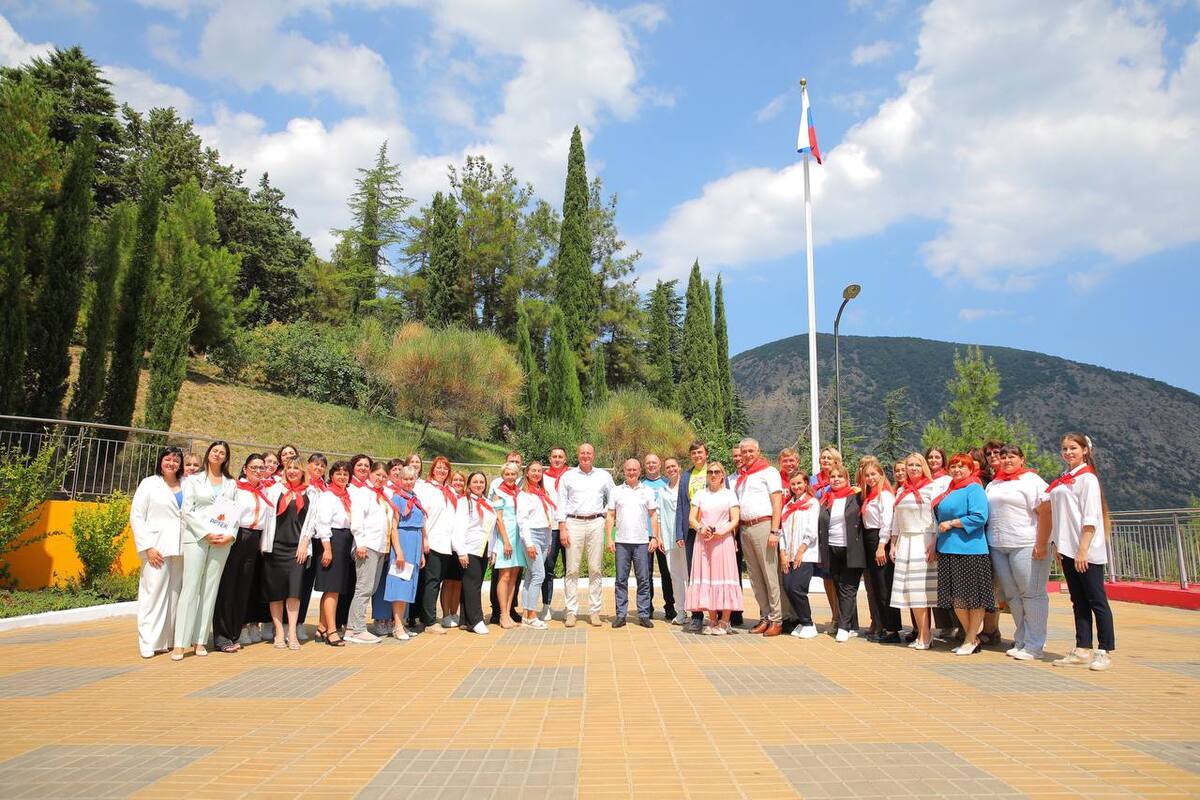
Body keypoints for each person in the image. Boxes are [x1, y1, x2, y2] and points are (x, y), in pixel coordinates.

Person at [1044, 433, 1115, 671]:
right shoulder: (1065, 478)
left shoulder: (1087, 479)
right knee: (1078, 600)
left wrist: (1083, 548)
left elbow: (1090, 516)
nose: (1068, 452)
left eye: (1073, 448)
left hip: (1085, 549)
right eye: (1064, 448)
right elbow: (1058, 514)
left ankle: (1104, 650)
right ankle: (1082, 647)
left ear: (1085, 450)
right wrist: (1056, 544)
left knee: (1096, 599)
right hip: (1066, 548)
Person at [986, 444, 1051, 661]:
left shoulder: (1032, 481)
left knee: (1032, 593)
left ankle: (1035, 644)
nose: (1006, 460)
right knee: (1012, 595)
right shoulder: (994, 483)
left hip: (1025, 543)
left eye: (1011, 456)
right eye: (1002, 457)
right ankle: (1022, 638)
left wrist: (1042, 543)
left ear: (1022, 459)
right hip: (998, 545)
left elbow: (1046, 511)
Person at [173, 441, 236, 659]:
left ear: (226, 458)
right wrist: (205, 533)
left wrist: (231, 534)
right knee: (190, 588)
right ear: (209, 453)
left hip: (222, 540)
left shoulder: (230, 483)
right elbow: (187, 510)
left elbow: (234, 512)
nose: (218, 455)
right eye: (215, 451)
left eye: (222, 453)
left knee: (210, 589)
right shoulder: (193, 480)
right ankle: (180, 643)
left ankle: (200, 640)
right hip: (197, 538)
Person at [212, 453, 277, 653]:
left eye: (261, 468)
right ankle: (222, 636)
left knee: (243, 588)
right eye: (254, 467)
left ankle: (234, 633)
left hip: (254, 540)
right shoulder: (235, 488)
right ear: (245, 469)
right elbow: (222, 514)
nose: (258, 471)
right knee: (228, 587)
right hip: (236, 537)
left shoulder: (264, 490)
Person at [932, 453, 993, 656]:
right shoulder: (950, 490)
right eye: (954, 466)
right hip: (948, 548)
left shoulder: (974, 488)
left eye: (962, 467)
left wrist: (952, 523)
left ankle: (970, 638)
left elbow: (979, 516)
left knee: (973, 598)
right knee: (957, 598)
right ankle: (971, 637)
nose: (957, 470)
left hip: (971, 550)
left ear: (970, 469)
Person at [132, 446, 185, 659]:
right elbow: (137, 516)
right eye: (168, 459)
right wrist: (147, 547)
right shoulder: (149, 484)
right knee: (152, 594)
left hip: (181, 548)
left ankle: (167, 639)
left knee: (174, 594)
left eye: (176, 460)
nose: (172, 463)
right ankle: (148, 641)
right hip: (157, 547)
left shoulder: (186, 485)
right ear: (161, 461)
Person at [556, 443, 614, 627]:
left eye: (589, 453)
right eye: (582, 453)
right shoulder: (568, 476)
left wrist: (605, 513)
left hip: (596, 522)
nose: (586, 456)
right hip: (573, 523)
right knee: (572, 570)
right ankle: (571, 611)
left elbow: (614, 497)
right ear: (578, 455)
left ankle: (594, 611)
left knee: (595, 568)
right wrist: (563, 526)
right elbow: (561, 503)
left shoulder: (604, 476)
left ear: (593, 455)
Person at [888, 453, 940, 649]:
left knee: (921, 593)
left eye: (917, 465)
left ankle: (925, 635)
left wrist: (934, 541)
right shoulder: (902, 489)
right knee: (911, 592)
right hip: (905, 542)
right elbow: (896, 519)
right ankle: (922, 632)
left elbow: (936, 517)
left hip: (922, 540)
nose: (913, 468)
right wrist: (893, 543)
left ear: (923, 467)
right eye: (910, 465)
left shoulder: (931, 488)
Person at [734, 438, 784, 636]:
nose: (747, 455)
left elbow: (777, 503)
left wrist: (774, 531)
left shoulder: (769, 472)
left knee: (769, 574)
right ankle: (764, 616)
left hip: (763, 526)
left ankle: (776, 618)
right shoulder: (743, 476)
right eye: (744, 451)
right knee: (755, 576)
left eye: (750, 451)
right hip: (745, 529)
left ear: (758, 451)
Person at [686, 462, 742, 635]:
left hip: (723, 541)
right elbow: (692, 518)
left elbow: (735, 519)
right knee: (707, 578)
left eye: (717, 472)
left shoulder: (729, 495)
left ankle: (725, 621)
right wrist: (701, 528)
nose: (713, 474)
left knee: (724, 577)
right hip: (703, 541)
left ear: (722, 475)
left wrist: (721, 532)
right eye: (710, 471)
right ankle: (713, 620)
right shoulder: (700, 495)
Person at [606, 458, 661, 629]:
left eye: (635, 470)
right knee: (621, 580)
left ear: (639, 471)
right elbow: (610, 516)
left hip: (642, 542)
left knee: (643, 580)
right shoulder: (616, 491)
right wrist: (609, 538)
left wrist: (654, 537)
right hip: (622, 542)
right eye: (628, 469)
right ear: (624, 471)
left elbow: (653, 516)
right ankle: (621, 615)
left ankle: (643, 614)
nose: (631, 472)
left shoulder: (647, 491)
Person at [261, 458, 309, 649]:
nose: (292, 471)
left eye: (296, 468)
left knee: (294, 592)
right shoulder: (275, 490)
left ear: (303, 471)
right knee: (276, 592)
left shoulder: (310, 492)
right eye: (289, 468)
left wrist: (304, 543)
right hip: (276, 546)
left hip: (297, 548)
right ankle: (279, 632)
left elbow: (312, 521)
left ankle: (292, 632)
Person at [344, 462, 394, 644]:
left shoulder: (384, 496)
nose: (380, 479)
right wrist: (361, 543)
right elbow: (357, 520)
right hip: (367, 547)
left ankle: (352, 626)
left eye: (384, 476)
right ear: (371, 474)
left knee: (370, 588)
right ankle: (357, 629)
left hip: (381, 547)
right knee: (363, 588)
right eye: (377, 475)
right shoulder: (363, 493)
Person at [817, 465, 864, 643]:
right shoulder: (826, 499)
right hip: (831, 548)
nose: (836, 479)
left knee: (848, 588)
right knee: (838, 586)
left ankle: (844, 627)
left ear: (847, 479)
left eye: (840, 477)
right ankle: (850, 625)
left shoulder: (856, 497)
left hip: (851, 549)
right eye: (833, 477)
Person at [858, 456, 901, 643]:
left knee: (884, 586)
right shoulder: (870, 495)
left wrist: (881, 545)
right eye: (866, 475)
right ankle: (883, 626)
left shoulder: (884, 495)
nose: (870, 478)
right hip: (869, 539)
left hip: (878, 540)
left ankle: (892, 629)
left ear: (881, 474)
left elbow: (887, 523)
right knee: (876, 586)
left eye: (873, 474)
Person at [415, 455, 459, 634]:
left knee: (437, 581)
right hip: (432, 541)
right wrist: (424, 538)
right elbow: (422, 517)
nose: (442, 471)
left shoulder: (450, 491)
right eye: (438, 468)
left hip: (447, 543)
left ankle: (429, 616)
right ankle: (429, 620)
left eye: (445, 468)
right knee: (431, 582)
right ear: (432, 469)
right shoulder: (425, 489)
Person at [313, 461, 355, 647]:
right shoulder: (328, 496)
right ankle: (331, 630)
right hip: (332, 540)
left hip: (345, 540)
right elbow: (322, 523)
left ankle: (322, 626)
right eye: (338, 474)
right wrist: (327, 548)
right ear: (331, 476)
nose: (342, 477)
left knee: (335, 587)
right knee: (332, 588)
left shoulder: (347, 495)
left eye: (345, 474)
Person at [383, 466, 426, 640]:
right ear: (400, 480)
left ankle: (402, 621)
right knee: (400, 583)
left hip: (415, 543)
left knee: (409, 585)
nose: (409, 482)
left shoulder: (416, 499)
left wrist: (421, 552)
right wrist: (399, 551)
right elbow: (394, 527)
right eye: (405, 479)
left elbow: (421, 526)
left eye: (412, 478)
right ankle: (397, 625)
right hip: (403, 541)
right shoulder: (397, 499)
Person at [451, 471, 495, 635]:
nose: (478, 485)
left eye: (482, 482)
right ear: (469, 484)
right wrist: (461, 551)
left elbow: (491, 529)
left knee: (471, 584)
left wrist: (492, 550)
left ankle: (465, 620)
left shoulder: (488, 503)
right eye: (475, 482)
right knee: (473, 585)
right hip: (469, 549)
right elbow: (459, 527)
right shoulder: (464, 502)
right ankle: (476, 619)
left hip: (483, 548)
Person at [779, 472, 820, 639]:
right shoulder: (787, 505)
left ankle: (808, 622)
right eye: (793, 484)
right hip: (788, 555)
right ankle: (802, 623)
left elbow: (812, 530)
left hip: (805, 554)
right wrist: (782, 553)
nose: (796, 487)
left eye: (799, 483)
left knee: (798, 588)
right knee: (788, 587)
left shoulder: (812, 503)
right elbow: (781, 531)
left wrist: (800, 552)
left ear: (805, 484)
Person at [517, 461, 556, 629]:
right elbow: (522, 521)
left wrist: (548, 541)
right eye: (533, 470)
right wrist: (529, 543)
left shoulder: (542, 492)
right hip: (531, 535)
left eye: (539, 471)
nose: (536, 474)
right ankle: (532, 614)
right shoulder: (524, 494)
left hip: (544, 534)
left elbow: (549, 516)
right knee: (539, 575)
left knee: (531, 576)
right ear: (527, 473)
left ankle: (526, 614)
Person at [677, 441, 710, 633]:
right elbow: (681, 505)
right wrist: (679, 532)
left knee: (714, 573)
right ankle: (697, 615)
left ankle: (718, 614)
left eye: (700, 452)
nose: (697, 456)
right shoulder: (686, 476)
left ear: (706, 454)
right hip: (691, 531)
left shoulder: (714, 471)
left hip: (712, 531)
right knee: (694, 573)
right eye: (694, 453)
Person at [488, 450, 524, 624]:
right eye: (507, 474)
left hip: (519, 538)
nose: (510, 477)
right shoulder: (498, 492)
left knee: (515, 576)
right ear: (503, 475)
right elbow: (498, 519)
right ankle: (502, 614)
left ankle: (509, 611)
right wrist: (506, 542)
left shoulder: (519, 492)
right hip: (506, 538)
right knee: (505, 576)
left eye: (513, 474)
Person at [295, 453, 327, 641]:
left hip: (318, 541)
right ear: (307, 466)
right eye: (315, 464)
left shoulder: (325, 489)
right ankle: (286, 622)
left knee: (307, 583)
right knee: (296, 582)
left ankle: (299, 621)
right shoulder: (302, 488)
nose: (319, 468)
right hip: (301, 540)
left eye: (322, 466)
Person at [641, 453, 675, 620]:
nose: (651, 465)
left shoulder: (667, 483)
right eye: (648, 463)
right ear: (644, 465)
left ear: (660, 464)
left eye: (654, 462)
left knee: (667, 572)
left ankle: (670, 606)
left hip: (664, 535)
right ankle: (648, 607)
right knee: (646, 574)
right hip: (645, 536)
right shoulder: (640, 484)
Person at [539, 447, 570, 621]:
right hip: (549, 529)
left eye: (560, 457)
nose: (557, 459)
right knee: (547, 568)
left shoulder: (571, 476)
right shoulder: (542, 477)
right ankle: (546, 606)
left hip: (568, 528)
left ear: (565, 459)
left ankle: (569, 606)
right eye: (554, 457)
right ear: (549, 459)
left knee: (570, 568)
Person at [658, 457, 689, 626]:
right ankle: (681, 610)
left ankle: (696, 611)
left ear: (679, 467)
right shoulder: (662, 491)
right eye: (668, 467)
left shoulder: (686, 487)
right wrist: (660, 537)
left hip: (684, 538)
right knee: (675, 576)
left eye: (673, 466)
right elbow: (660, 516)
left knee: (689, 575)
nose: (671, 469)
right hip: (669, 539)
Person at [439, 470, 467, 628]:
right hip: (448, 544)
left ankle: (454, 612)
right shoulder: (446, 497)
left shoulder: (466, 499)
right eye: (455, 480)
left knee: (458, 582)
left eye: (461, 480)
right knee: (448, 581)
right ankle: (445, 614)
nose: (458, 483)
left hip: (463, 546)